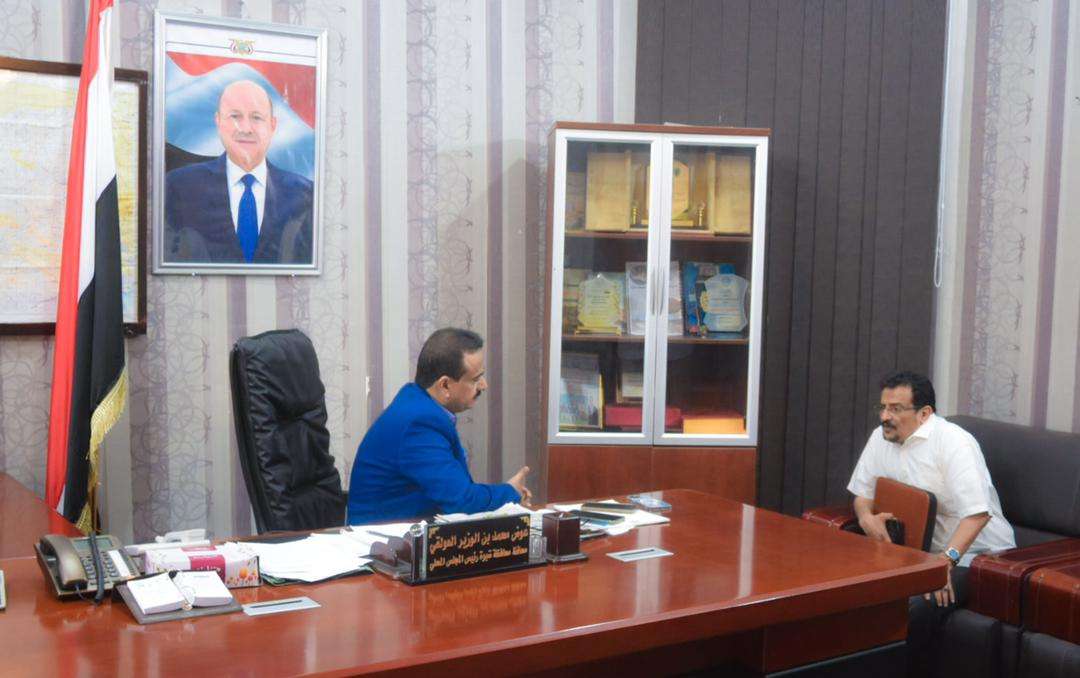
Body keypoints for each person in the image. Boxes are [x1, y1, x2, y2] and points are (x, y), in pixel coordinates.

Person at [847, 371, 1015, 676]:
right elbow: (862, 494)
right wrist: (865, 518)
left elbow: (978, 514)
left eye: (895, 409)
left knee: (912, 606)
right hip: (917, 554)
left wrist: (944, 563)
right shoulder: (880, 437)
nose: (884, 416)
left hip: (977, 557)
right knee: (849, 589)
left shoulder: (954, 443)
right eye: (882, 407)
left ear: (924, 413)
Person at [347, 327, 532, 524]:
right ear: (445, 385)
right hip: (381, 539)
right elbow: (462, 500)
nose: (483, 385)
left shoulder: (417, 403)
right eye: (475, 379)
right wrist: (510, 492)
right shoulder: (419, 424)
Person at [164, 79, 313, 265]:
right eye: (235, 116)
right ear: (218, 121)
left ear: (272, 125)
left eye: (256, 117)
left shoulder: (305, 194)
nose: (246, 129)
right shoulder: (179, 187)